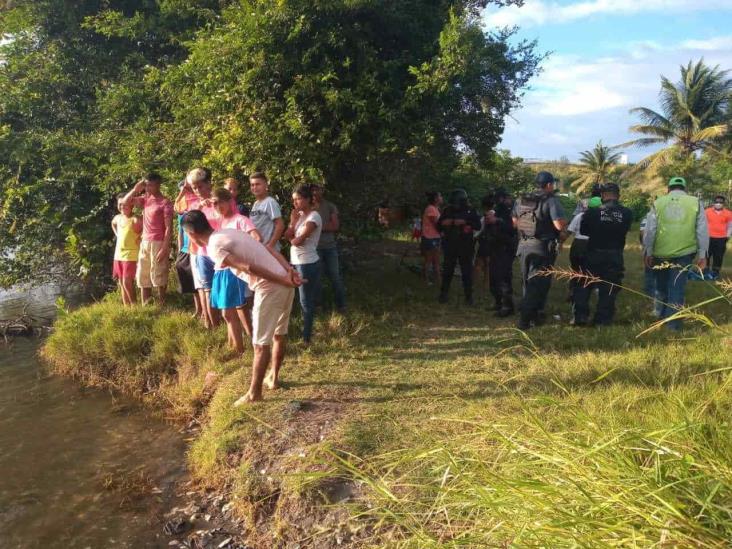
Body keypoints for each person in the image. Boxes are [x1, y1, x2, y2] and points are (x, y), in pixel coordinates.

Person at [181, 210, 302, 404]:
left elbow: (247, 267)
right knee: (279, 333)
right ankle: (273, 378)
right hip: (284, 283)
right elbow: (268, 250)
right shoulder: (228, 232)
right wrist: (289, 271)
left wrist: (282, 278)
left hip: (271, 286)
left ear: (191, 234)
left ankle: (254, 394)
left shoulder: (214, 246)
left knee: (260, 344)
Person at [643, 176, 709, 331]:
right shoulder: (695, 202)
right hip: (684, 253)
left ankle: (661, 315)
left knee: (661, 286)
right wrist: (703, 254)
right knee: (677, 287)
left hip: (660, 252)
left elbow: (650, 230)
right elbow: (702, 231)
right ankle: (672, 324)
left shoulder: (658, 202)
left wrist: (648, 251)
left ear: (669, 188)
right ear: (684, 188)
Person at [513, 171, 568, 329]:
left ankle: (532, 313)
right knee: (539, 283)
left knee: (526, 281)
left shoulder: (521, 199)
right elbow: (559, 225)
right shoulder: (551, 200)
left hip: (523, 246)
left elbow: (514, 222)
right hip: (542, 248)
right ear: (549, 185)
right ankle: (527, 319)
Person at [573, 184, 633, 326]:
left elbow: (584, 231)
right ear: (618, 195)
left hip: (593, 253)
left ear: (603, 196)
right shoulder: (627, 213)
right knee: (610, 288)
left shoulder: (592, 212)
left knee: (584, 285)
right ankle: (603, 319)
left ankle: (581, 317)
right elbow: (625, 229)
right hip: (614, 255)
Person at [212, 187, 262, 350]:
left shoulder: (240, 219)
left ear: (229, 201)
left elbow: (256, 237)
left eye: (220, 203)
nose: (217, 207)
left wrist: (243, 258)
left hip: (233, 271)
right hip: (219, 268)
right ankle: (232, 345)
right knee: (226, 312)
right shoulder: (219, 222)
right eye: (214, 203)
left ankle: (240, 349)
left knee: (230, 311)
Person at [122, 173, 174, 305]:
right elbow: (125, 202)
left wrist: (165, 247)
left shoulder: (165, 202)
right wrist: (135, 189)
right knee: (143, 273)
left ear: (158, 185)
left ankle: (162, 303)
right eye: (146, 185)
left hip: (158, 241)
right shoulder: (146, 199)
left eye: (151, 185)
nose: (148, 188)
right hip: (145, 241)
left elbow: (169, 227)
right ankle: (146, 304)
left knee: (159, 273)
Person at [179, 168, 221, 329]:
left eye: (200, 187)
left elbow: (229, 221)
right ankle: (211, 323)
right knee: (204, 288)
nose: (197, 191)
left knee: (218, 286)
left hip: (220, 252)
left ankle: (223, 321)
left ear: (209, 184)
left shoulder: (220, 200)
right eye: (194, 188)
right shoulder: (195, 205)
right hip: (200, 251)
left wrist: (215, 206)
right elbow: (188, 229)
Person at [287, 185, 323, 345]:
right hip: (295, 262)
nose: (295, 202)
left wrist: (292, 237)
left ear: (308, 199)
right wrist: (293, 222)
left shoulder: (314, 217)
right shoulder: (299, 216)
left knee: (305, 301)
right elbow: (287, 234)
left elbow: (297, 241)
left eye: (299, 199)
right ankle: (301, 333)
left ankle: (306, 337)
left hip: (307, 263)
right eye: (294, 199)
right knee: (293, 299)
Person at [437, 189, 481, 305]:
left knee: (466, 272)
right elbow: (439, 225)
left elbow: (478, 225)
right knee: (447, 270)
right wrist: (446, 223)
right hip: (450, 244)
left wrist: (465, 222)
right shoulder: (447, 210)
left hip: (465, 246)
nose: (455, 205)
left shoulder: (471, 211)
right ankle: (443, 294)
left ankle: (469, 297)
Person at [312, 184, 347, 312]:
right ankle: (318, 306)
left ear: (322, 190)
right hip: (314, 248)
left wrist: (315, 226)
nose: (315, 192)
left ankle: (341, 305)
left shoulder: (330, 206)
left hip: (330, 247)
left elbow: (335, 226)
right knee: (316, 278)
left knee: (335, 276)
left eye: (318, 189)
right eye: (313, 189)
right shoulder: (308, 207)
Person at [566, 196, 601, 322]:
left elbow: (569, 231)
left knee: (577, 273)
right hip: (591, 246)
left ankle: (573, 293)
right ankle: (593, 291)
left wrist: (559, 242)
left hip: (577, 245)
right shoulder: (601, 217)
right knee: (590, 275)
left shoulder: (579, 216)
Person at [486, 188, 518, 317]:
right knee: (494, 276)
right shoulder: (496, 210)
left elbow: (512, 228)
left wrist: (497, 221)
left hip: (506, 247)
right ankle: (498, 302)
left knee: (504, 276)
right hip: (495, 246)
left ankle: (507, 306)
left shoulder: (509, 211)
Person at [111, 193, 142, 306]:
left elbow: (145, 230)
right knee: (121, 282)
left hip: (131, 254)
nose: (122, 207)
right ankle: (126, 307)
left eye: (125, 204)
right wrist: (117, 234)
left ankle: (134, 305)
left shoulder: (135, 219)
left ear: (132, 205)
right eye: (120, 204)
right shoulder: (117, 218)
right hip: (118, 254)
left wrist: (141, 238)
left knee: (127, 281)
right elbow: (113, 224)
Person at [249, 172, 285, 250]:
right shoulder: (255, 204)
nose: (255, 187)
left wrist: (270, 245)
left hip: (269, 250)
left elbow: (280, 225)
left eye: (258, 184)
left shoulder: (270, 202)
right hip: (259, 249)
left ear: (266, 185)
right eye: (252, 185)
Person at [705, 195, 732, 279]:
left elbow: (730, 226)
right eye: (716, 202)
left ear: (723, 203)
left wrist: (727, 236)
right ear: (714, 202)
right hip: (708, 237)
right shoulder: (707, 211)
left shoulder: (728, 213)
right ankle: (705, 271)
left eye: (720, 202)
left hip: (721, 238)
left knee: (718, 256)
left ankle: (715, 272)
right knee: (706, 255)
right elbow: (703, 224)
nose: (718, 204)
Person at [421, 191, 443, 285]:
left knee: (436, 260)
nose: (442, 198)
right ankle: (425, 279)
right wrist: (444, 232)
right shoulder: (431, 209)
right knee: (429, 260)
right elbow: (436, 224)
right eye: (440, 196)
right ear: (435, 199)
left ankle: (437, 279)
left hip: (435, 237)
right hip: (430, 238)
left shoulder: (436, 209)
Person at [474, 195, 494, 292]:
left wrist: (475, 237)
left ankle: (475, 284)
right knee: (488, 265)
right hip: (492, 241)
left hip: (485, 241)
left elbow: (480, 230)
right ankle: (486, 284)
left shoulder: (486, 216)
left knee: (479, 263)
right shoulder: (495, 214)